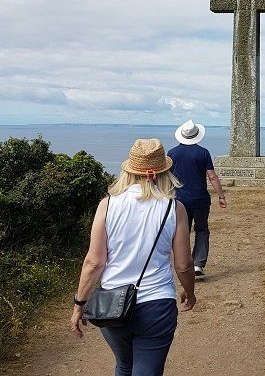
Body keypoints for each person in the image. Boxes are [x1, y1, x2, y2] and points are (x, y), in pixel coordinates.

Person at [69, 138, 196, 376]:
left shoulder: (107, 205)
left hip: (112, 304)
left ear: (128, 171)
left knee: (124, 365)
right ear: (164, 172)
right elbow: (183, 265)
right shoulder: (174, 208)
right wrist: (190, 292)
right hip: (157, 304)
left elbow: (94, 262)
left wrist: (79, 305)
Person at [167, 119, 227, 277]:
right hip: (200, 199)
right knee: (201, 230)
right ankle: (198, 264)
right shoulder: (203, 152)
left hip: (179, 200)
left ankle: (183, 262)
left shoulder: (172, 153)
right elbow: (212, 177)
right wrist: (221, 196)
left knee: (181, 231)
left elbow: (167, 177)